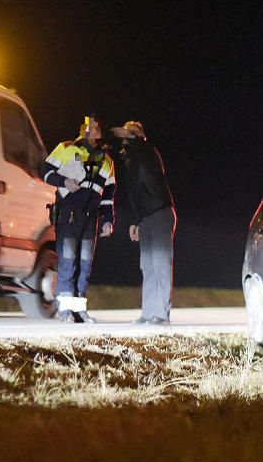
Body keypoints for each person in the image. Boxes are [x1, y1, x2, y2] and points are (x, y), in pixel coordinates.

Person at [41, 116, 116, 323]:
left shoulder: (105, 159)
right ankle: (64, 310)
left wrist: (108, 219)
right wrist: (64, 181)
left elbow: (108, 193)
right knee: (68, 260)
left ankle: (78, 310)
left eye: (97, 127)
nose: (95, 129)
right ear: (83, 130)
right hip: (69, 214)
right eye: (91, 126)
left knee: (85, 265)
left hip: (91, 218)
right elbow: (45, 172)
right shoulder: (66, 148)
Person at [111, 121, 176, 325]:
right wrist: (135, 221)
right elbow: (134, 195)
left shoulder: (147, 152)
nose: (128, 135)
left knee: (160, 264)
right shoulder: (130, 159)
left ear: (140, 136)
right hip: (146, 217)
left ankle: (162, 315)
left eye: (134, 132)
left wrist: (133, 137)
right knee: (147, 266)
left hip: (160, 212)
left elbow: (152, 183)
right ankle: (148, 313)